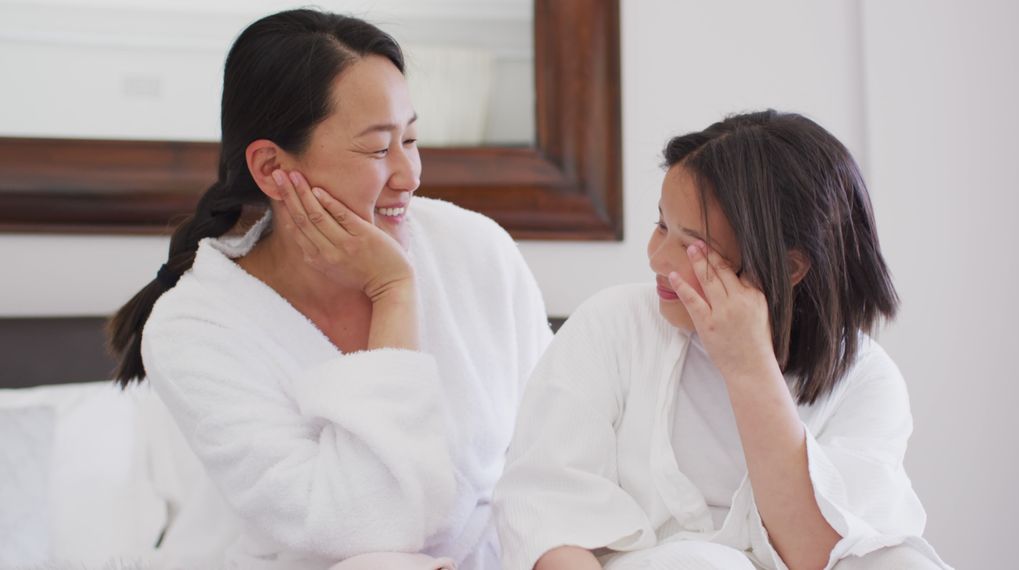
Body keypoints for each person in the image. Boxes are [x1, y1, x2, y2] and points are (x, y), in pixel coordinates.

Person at [106, 9, 551, 570]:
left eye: (410, 139)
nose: (409, 174)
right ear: (271, 167)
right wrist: (393, 292)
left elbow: (558, 452)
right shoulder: (195, 327)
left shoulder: (474, 249)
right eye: (377, 148)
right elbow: (367, 528)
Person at [494, 110, 951, 570]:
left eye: (691, 246)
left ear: (790, 268)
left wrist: (748, 365)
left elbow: (819, 554)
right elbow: (544, 512)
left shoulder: (865, 380)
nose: (656, 258)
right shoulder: (614, 325)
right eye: (660, 226)